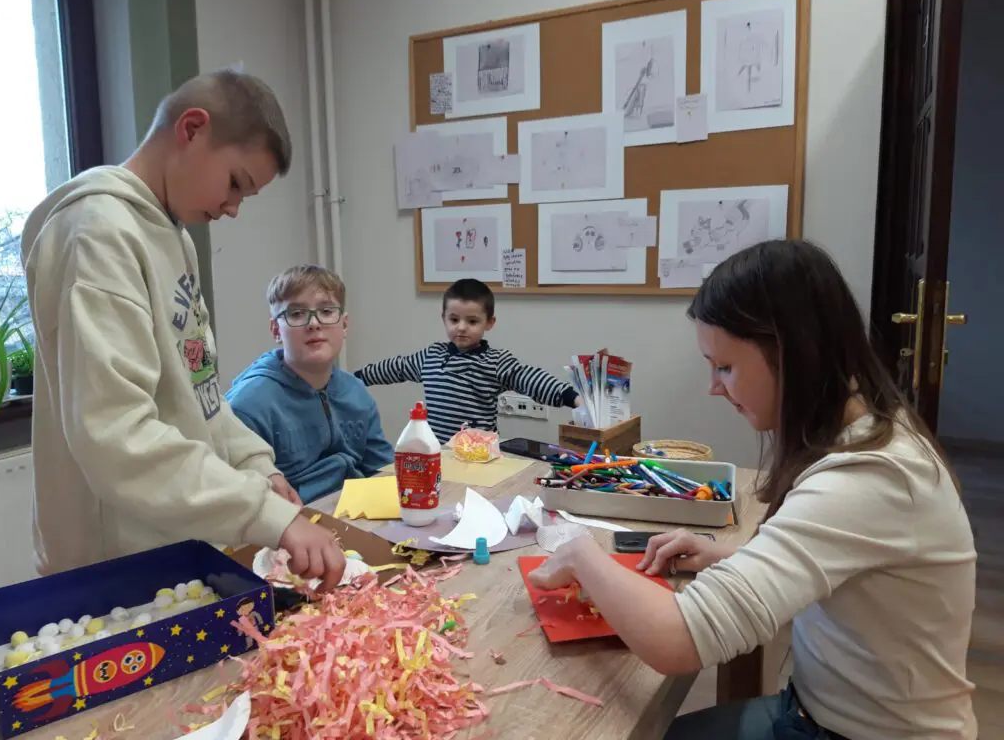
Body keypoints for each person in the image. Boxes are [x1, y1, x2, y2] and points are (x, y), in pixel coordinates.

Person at [529, 239, 977, 740]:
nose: (713, 387)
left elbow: (677, 642)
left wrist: (581, 555)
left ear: (791, 353)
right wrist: (728, 557)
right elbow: (838, 569)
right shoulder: (871, 432)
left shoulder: (868, 478)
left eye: (724, 366)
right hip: (817, 709)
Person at [22, 69, 345, 587]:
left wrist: (257, 466)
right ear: (192, 129)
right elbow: (116, 434)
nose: (232, 208)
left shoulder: (176, 239)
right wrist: (266, 515)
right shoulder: (97, 232)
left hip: (175, 546)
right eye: (235, 183)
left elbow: (200, 394)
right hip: (114, 565)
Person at [226, 264, 394, 503]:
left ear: (344, 324)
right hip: (292, 518)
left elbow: (382, 471)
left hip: (354, 512)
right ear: (276, 330)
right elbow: (242, 501)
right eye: (296, 314)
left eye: (326, 311)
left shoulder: (356, 393)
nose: (314, 323)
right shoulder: (248, 405)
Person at [354, 278, 581, 443]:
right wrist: (356, 379)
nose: (461, 327)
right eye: (454, 319)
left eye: (472, 321)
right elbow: (397, 367)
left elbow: (531, 379)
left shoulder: (496, 362)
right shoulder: (431, 357)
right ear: (444, 318)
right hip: (438, 455)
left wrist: (573, 398)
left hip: (479, 457)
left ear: (489, 323)